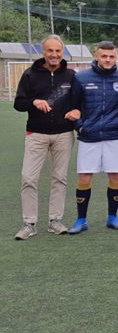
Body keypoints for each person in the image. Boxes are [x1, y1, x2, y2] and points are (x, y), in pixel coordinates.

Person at [13, 35, 76, 240]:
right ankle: (29, 223)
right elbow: (19, 104)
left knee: (60, 178)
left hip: (64, 134)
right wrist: (34, 102)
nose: (54, 55)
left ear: (62, 52)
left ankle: (55, 221)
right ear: (43, 52)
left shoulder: (71, 75)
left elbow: (79, 102)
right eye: (50, 51)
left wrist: (77, 111)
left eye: (58, 51)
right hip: (36, 134)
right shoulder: (30, 75)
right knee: (28, 178)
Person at [65, 41, 118, 234]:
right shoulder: (81, 77)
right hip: (89, 136)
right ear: (96, 56)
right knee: (84, 177)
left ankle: (112, 217)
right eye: (104, 56)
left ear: (115, 57)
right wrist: (81, 127)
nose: (108, 60)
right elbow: (73, 107)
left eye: (111, 56)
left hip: (113, 135)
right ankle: (81, 220)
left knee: (115, 175)